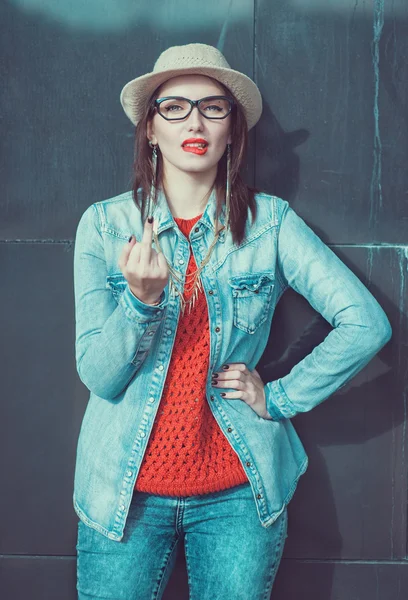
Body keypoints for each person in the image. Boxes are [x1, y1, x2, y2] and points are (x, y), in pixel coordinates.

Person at [73, 43, 392, 599]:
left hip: (237, 495)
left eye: (213, 107)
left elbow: (365, 322)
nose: (194, 121)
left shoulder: (269, 223)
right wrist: (140, 302)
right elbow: (99, 375)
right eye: (174, 107)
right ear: (150, 129)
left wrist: (282, 395)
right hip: (122, 493)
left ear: (231, 131)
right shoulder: (103, 226)